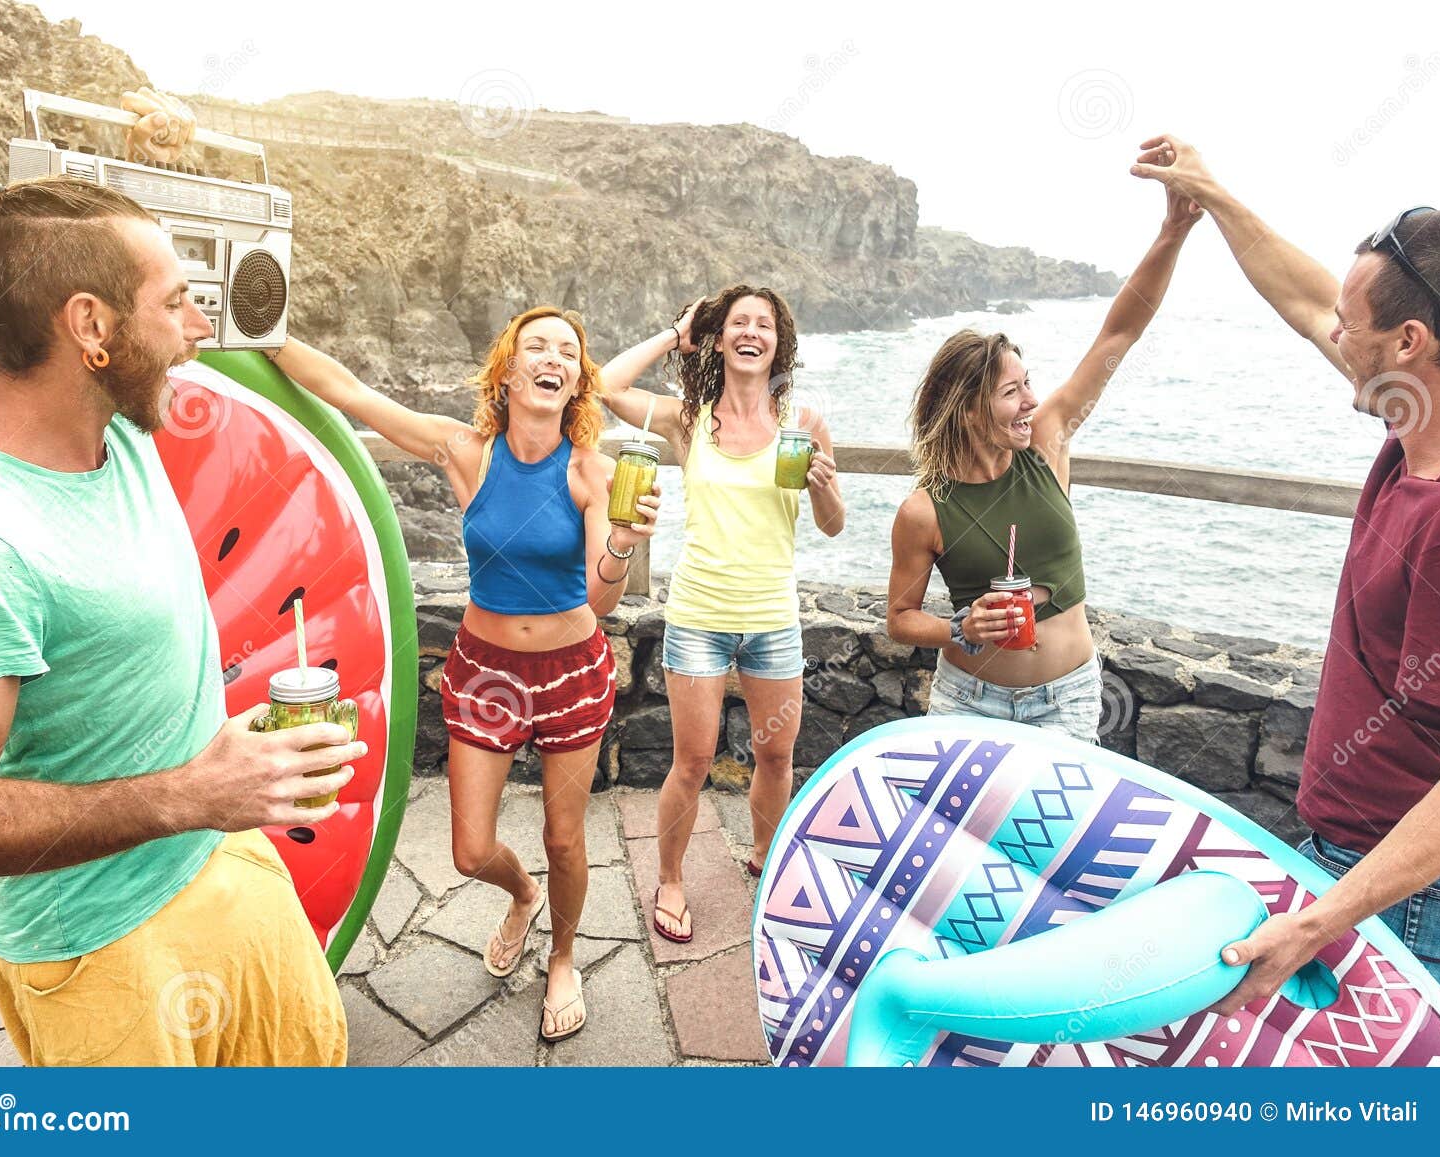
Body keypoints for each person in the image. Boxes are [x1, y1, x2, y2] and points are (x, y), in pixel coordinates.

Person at [0, 160, 361, 1065]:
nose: (199, 328)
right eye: (176, 302)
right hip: (104, 950)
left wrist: (214, 769)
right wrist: (189, 792)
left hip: (223, 857)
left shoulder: (122, 434)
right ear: (91, 326)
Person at [269, 308, 659, 1040]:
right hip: (485, 671)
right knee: (469, 848)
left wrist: (624, 543)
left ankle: (566, 957)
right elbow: (352, 393)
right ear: (507, 371)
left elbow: (601, 598)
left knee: (565, 837)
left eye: (567, 352)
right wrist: (264, 334)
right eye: (535, 345)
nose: (553, 357)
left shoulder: (593, 471)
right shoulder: (467, 452)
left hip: (573, 670)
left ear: (576, 381)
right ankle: (522, 895)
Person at [1132, 135, 1440, 999]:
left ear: (1410, 341)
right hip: (1355, 870)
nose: (1332, 332)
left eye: (1356, 326)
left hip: (1406, 900)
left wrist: (1320, 919)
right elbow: (1308, 300)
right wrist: (1212, 196)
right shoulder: (1409, 416)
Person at [885, 181, 1202, 741]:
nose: (1032, 400)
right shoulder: (923, 511)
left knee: (1061, 833)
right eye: (1012, 392)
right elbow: (901, 620)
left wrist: (1171, 233)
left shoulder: (1046, 443)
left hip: (1069, 700)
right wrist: (962, 626)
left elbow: (1119, 333)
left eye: (1028, 384)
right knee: (967, 830)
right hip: (970, 701)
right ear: (966, 409)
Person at [599, 285, 845, 943]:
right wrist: (674, 332)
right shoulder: (689, 418)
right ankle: (672, 880)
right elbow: (605, 385)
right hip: (700, 613)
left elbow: (832, 524)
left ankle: (767, 860)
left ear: (778, 342)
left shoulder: (803, 423)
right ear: (719, 339)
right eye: (738, 322)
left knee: (776, 754)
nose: (751, 332)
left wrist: (824, 490)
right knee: (692, 760)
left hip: (772, 617)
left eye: (764, 324)